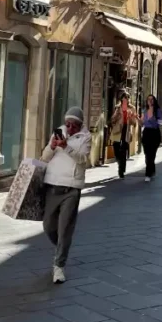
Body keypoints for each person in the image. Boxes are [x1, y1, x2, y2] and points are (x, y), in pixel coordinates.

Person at [42, 107, 92, 283]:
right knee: (48, 226)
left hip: (71, 188)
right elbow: (44, 158)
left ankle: (59, 266)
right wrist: (52, 146)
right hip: (52, 185)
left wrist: (66, 147)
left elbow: (83, 160)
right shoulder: (58, 132)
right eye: (68, 124)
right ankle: (62, 248)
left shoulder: (86, 138)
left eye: (74, 126)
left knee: (65, 229)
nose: (70, 129)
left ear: (80, 125)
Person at [109, 91, 137, 178]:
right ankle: (119, 162)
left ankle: (121, 170)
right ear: (121, 99)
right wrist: (116, 115)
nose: (126, 99)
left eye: (127, 98)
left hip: (126, 130)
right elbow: (112, 120)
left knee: (123, 150)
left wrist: (131, 116)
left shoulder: (132, 108)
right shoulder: (118, 108)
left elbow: (134, 122)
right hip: (118, 130)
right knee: (116, 149)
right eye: (124, 98)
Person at [141, 94, 162, 181]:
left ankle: (148, 174)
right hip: (146, 133)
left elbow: (160, 123)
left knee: (152, 154)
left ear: (154, 101)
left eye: (152, 99)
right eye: (148, 99)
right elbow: (142, 123)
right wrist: (136, 118)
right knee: (147, 154)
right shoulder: (145, 111)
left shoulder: (158, 111)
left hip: (154, 133)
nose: (150, 101)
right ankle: (152, 170)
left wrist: (152, 119)